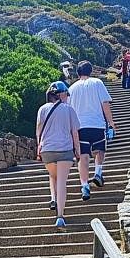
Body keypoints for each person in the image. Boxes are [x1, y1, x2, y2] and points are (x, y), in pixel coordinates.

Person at [36, 81, 81, 230]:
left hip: (47, 150)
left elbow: (38, 131)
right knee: (61, 181)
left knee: (53, 175)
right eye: (66, 94)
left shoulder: (42, 109)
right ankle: (60, 216)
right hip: (65, 149)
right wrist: (78, 151)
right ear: (61, 95)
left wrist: (39, 147)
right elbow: (75, 133)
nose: (67, 97)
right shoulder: (69, 109)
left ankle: (53, 198)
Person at [68, 59, 116, 200]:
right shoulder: (97, 83)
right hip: (97, 124)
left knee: (82, 156)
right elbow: (105, 104)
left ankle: (84, 186)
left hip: (79, 127)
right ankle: (98, 172)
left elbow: (69, 110)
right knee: (99, 150)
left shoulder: (72, 89)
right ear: (91, 71)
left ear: (78, 73)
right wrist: (111, 123)